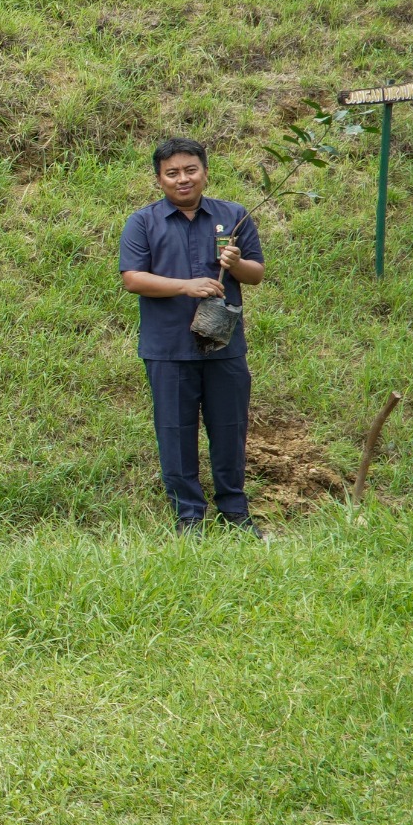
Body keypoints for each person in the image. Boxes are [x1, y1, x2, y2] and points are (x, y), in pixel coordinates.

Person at [119, 138, 266, 533]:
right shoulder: (143, 222)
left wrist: (235, 264)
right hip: (167, 348)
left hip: (224, 347)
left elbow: (256, 274)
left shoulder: (233, 216)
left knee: (229, 428)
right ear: (159, 179)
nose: (182, 179)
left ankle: (235, 512)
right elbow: (132, 278)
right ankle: (189, 516)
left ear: (204, 172)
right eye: (172, 173)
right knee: (175, 432)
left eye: (190, 170)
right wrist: (186, 286)